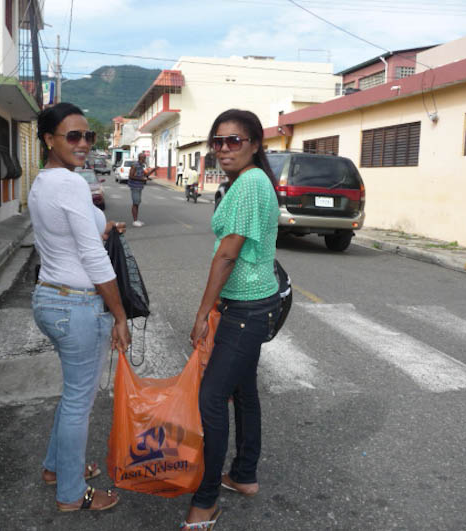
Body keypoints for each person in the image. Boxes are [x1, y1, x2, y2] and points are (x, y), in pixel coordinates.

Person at [181, 109, 281, 530]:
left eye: (234, 141)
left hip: (246, 310)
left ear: (255, 144)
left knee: (211, 399)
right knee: (242, 391)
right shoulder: (248, 182)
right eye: (217, 141)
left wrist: (204, 312)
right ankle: (243, 475)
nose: (224, 149)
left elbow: (227, 254)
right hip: (255, 303)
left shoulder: (250, 183)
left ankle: (205, 503)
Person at [29, 102, 131, 512]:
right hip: (77, 306)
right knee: (79, 403)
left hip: (50, 298)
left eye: (89, 136)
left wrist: (107, 226)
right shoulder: (69, 184)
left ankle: (57, 468)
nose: (84, 143)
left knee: (72, 395)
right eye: (73, 136)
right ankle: (71, 494)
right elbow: (92, 257)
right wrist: (120, 316)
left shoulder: (48, 180)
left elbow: (79, 231)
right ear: (49, 139)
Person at [128, 152, 157, 227]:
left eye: (145, 158)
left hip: (139, 187)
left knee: (137, 203)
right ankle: (134, 221)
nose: (145, 159)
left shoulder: (141, 166)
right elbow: (131, 176)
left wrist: (153, 170)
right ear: (140, 158)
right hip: (135, 187)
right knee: (135, 203)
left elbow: (146, 175)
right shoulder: (135, 165)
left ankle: (136, 220)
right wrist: (141, 179)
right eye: (144, 158)